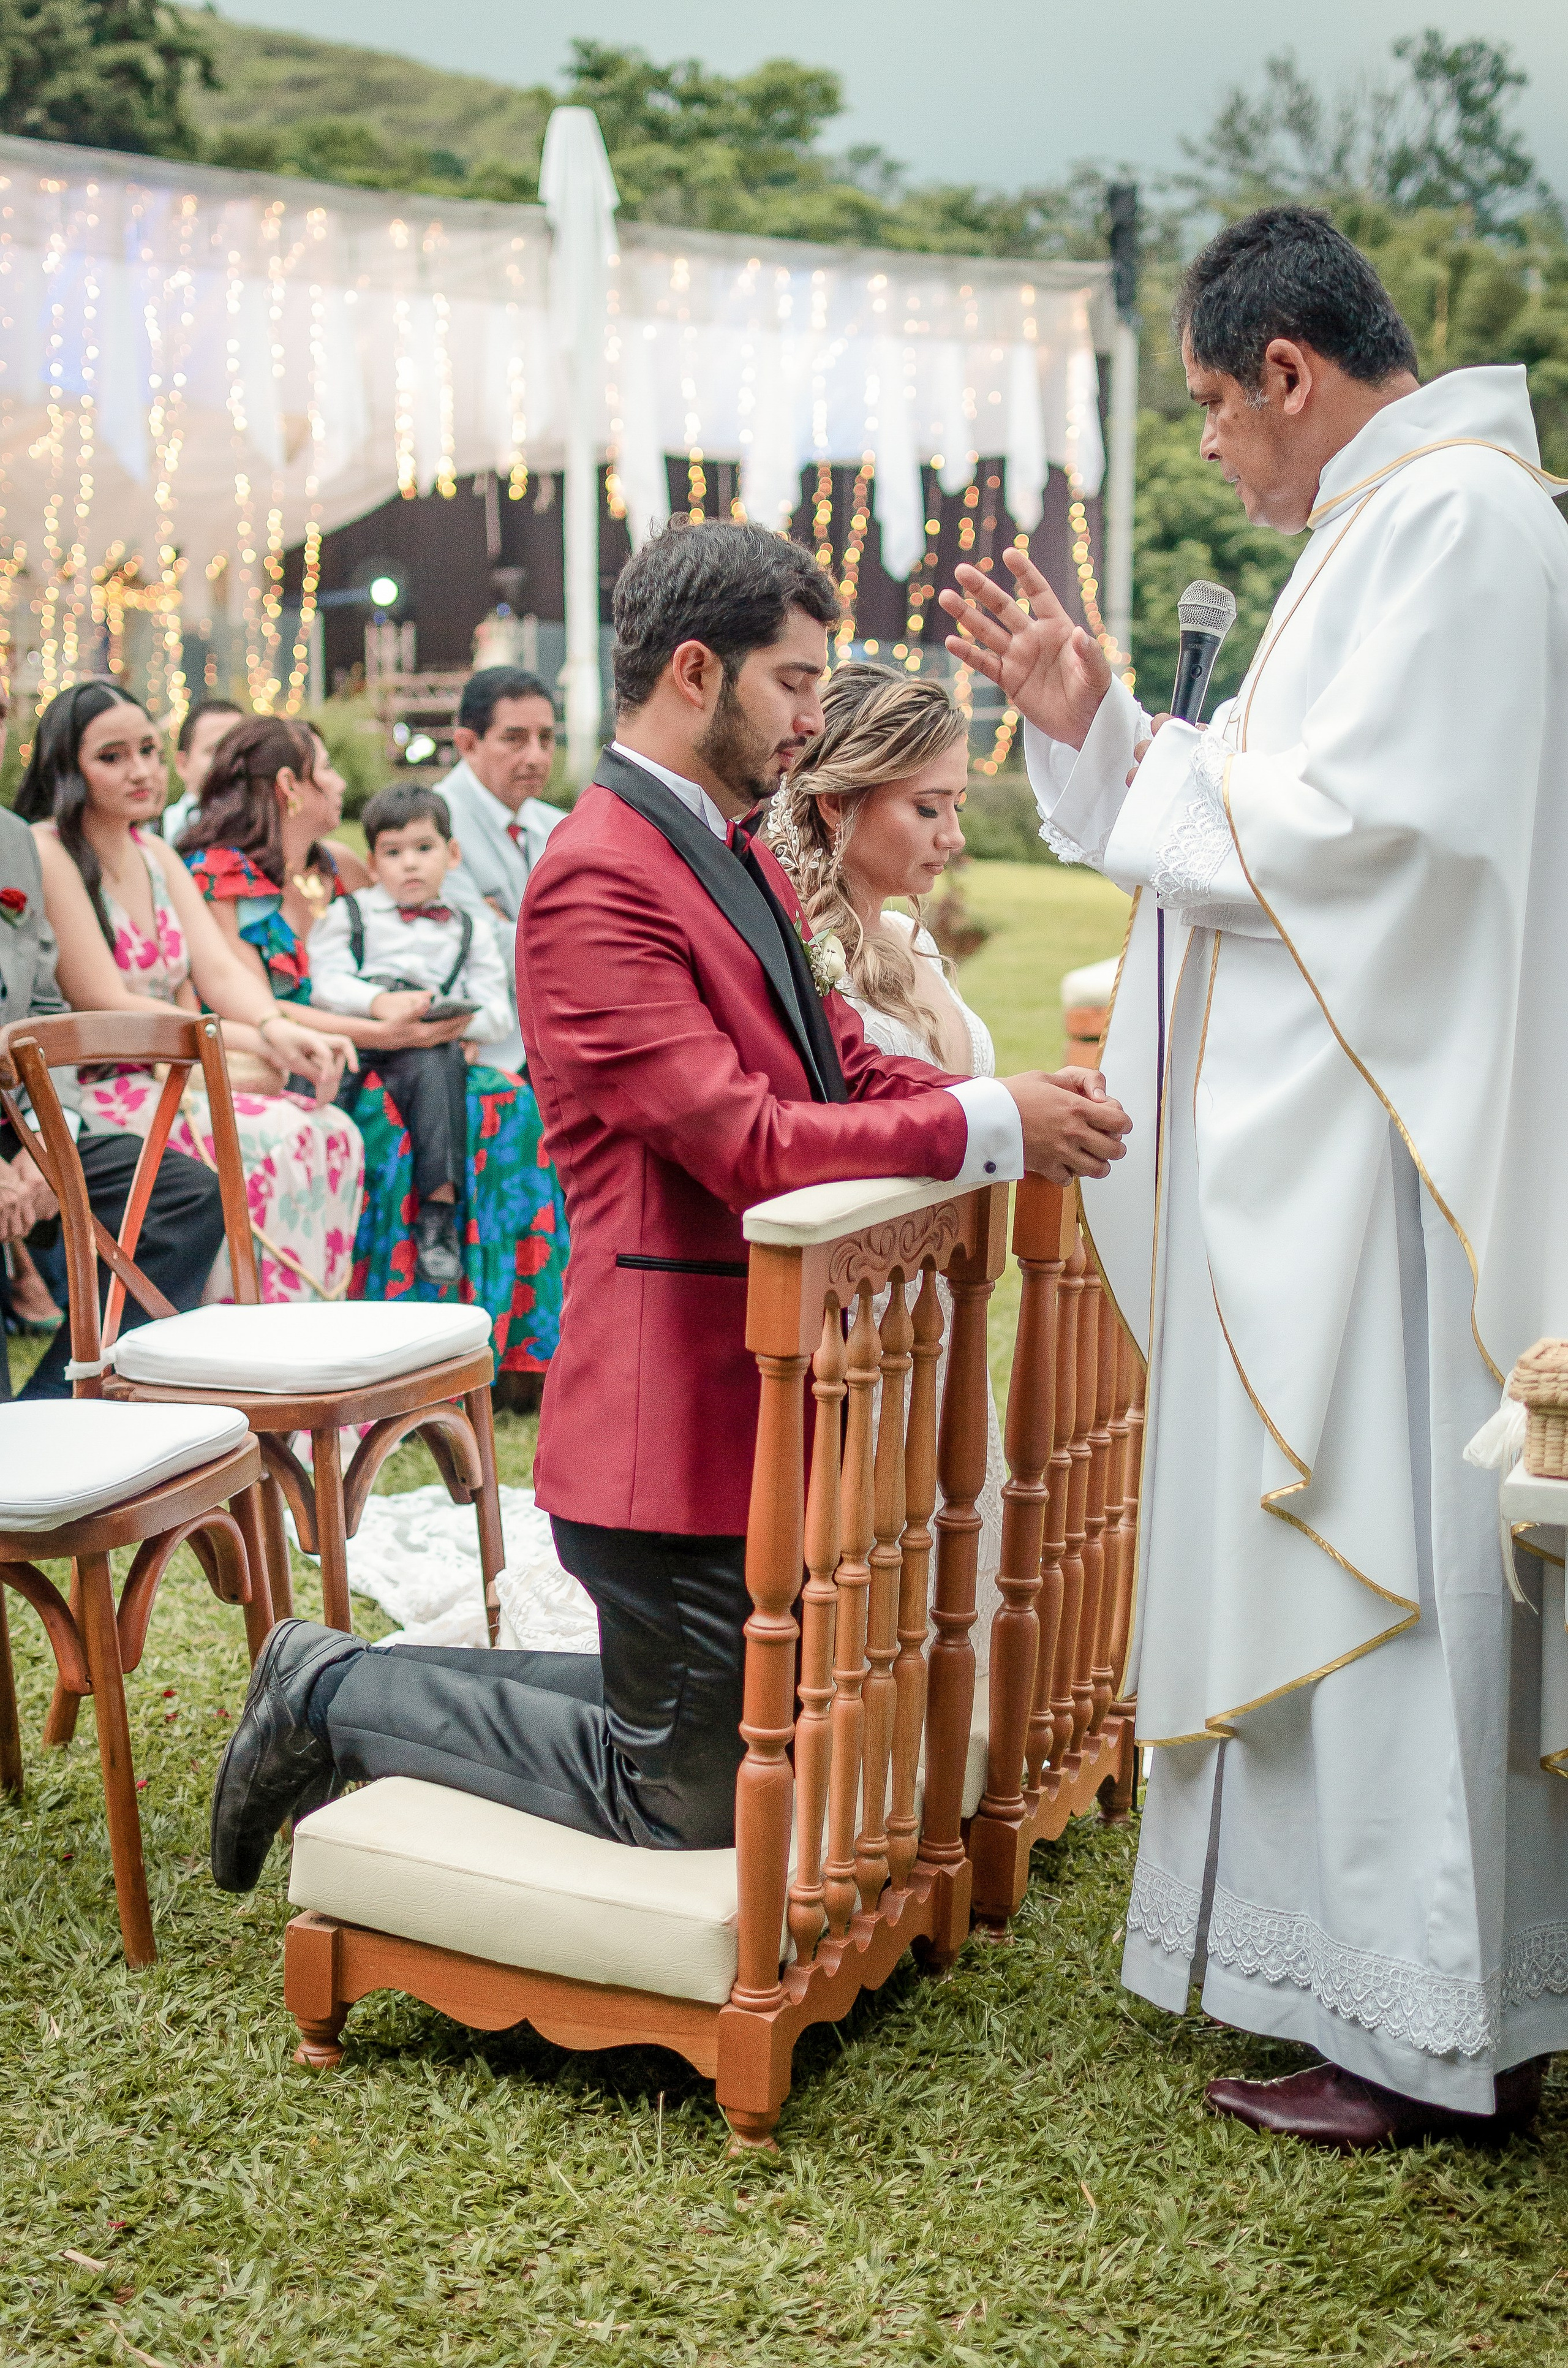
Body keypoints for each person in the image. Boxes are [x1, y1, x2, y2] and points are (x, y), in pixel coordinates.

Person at [208, 517, 1131, 1893]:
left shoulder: (726, 839)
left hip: (754, 1402)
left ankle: (349, 1676)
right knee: (684, 1798)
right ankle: (332, 1695)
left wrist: (990, 1089)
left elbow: (831, 1053)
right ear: (695, 672)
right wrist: (990, 1124)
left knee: (725, 1718)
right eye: (795, 683)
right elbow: (742, 1140)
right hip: (668, 1424)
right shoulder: (596, 875)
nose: (815, 718)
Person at [941, 205, 1568, 2148]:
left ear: (1289, 372)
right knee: (1372, 1576)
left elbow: (1367, 841)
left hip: (1390, 1188)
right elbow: (1272, 805)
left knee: (1394, 1581)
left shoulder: (1459, 524)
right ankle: (1403, 2004)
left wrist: (1134, 757)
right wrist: (1101, 735)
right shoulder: (1398, 524)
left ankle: (1429, 2030)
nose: (1210, 442)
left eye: (1215, 403)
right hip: (1345, 1164)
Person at [184, 730, 568, 1369]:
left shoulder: (340, 866)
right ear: (289, 788)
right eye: (327, 767)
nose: (338, 782)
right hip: (307, 1058)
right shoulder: (221, 879)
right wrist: (384, 1032)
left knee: (509, 1101)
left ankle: (508, 1341)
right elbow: (251, 1002)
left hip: (405, 1046)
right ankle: (401, 1336)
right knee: (419, 1116)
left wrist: (443, 1023)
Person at [769, 662, 1008, 1667]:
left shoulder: (908, 936)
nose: (952, 837)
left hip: (944, 1299)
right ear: (837, 803)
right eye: (927, 808)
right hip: (864, 1301)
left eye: (955, 807)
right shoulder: (797, 950)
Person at [18, 684, 363, 1308]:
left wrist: (273, 1025)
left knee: (330, 1131)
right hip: (95, 1089)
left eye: (150, 750)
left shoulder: (154, 854)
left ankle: (302, 1369)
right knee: (275, 1140)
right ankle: (233, 1360)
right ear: (69, 766)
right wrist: (253, 1037)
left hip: (171, 1073)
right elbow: (106, 1002)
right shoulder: (50, 852)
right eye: (114, 756)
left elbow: (222, 971)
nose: (142, 770)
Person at [0, 689, 226, 1400]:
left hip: (17, 1114)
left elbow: (40, 1003)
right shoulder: (46, 843)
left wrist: (43, 1137)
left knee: (184, 1192)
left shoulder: (9, 843)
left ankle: (65, 1401)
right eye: (113, 754)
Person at [311, 784, 516, 1285]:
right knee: (334, 1079)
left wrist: (454, 1020)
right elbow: (324, 982)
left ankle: (437, 1215)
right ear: (373, 863)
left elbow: (498, 1013)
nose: (410, 865)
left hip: (430, 1041)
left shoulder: (471, 927)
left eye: (424, 849)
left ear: (452, 853)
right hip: (365, 1034)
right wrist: (378, 1003)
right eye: (393, 852)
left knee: (437, 1061)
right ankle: (321, 1192)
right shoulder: (350, 913)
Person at [435, 665, 567, 1070]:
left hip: (566, 1042)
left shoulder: (560, 825)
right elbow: (479, 950)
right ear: (467, 743)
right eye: (514, 739)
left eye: (546, 738)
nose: (536, 756)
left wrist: (513, 927)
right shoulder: (432, 826)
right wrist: (575, 931)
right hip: (486, 1057)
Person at [160, 695, 242, 847]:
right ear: (182, 764)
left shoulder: (267, 829)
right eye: (215, 751)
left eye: (238, 750)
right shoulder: (158, 831)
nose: (229, 760)